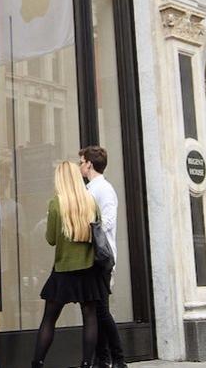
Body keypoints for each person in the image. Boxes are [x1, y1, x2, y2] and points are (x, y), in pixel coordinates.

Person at [31, 161, 108, 368]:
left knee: (49, 319)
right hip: (89, 268)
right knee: (90, 317)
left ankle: (37, 363)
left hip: (64, 269)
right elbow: (98, 233)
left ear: (60, 180)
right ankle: (86, 364)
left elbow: (51, 239)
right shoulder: (90, 201)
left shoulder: (56, 203)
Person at [80, 145, 127, 368]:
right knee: (95, 311)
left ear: (89, 164)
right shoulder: (91, 188)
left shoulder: (104, 189)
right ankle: (104, 359)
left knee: (101, 311)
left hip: (102, 258)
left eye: (81, 162)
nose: (80, 165)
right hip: (94, 257)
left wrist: (85, 226)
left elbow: (107, 221)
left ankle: (118, 359)